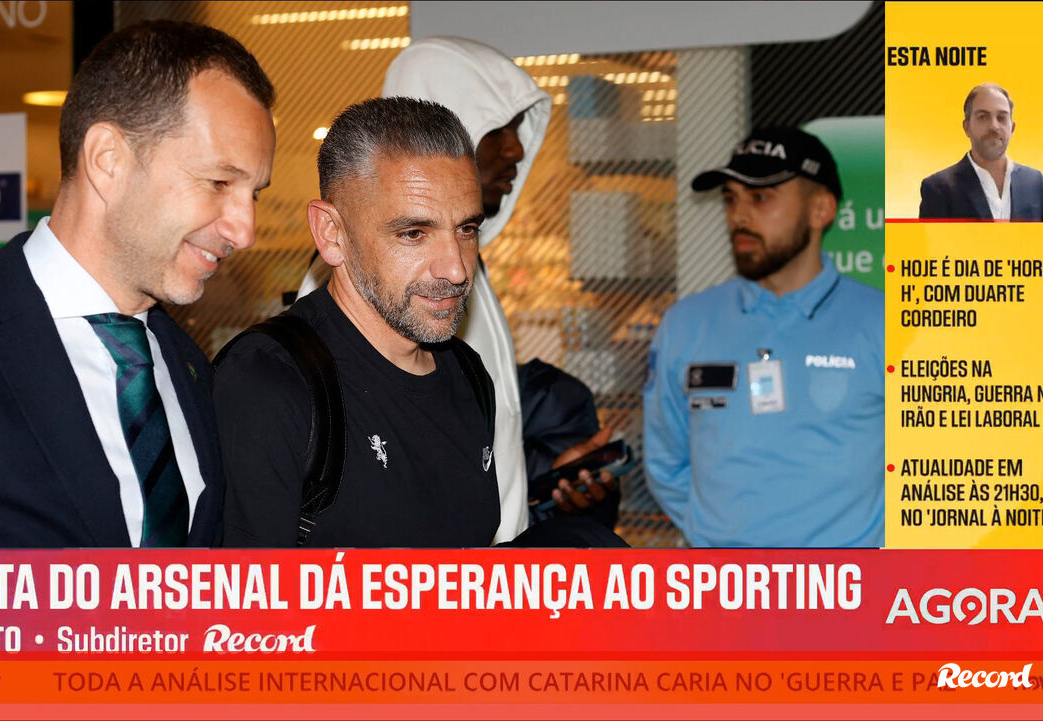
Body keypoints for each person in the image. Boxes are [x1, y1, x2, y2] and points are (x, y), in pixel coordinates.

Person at [0, 21, 276, 547]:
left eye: (254, 193)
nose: (245, 230)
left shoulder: (188, 367)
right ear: (108, 161)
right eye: (219, 182)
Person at [297, 37, 616, 542]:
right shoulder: (359, 285)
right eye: (498, 127)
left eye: (466, 229)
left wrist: (542, 476)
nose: (515, 149)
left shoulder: (464, 269)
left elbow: (456, 449)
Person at [215, 97, 500, 547]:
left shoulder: (468, 375)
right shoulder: (269, 382)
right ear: (332, 233)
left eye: (466, 229)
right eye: (413, 233)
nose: (456, 268)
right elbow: (243, 589)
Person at [644, 126, 883, 547]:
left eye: (760, 197)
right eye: (730, 198)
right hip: (724, 583)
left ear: (821, 210)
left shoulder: (886, 324)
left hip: (848, 584)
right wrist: (721, 541)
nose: (738, 216)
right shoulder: (685, 324)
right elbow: (666, 463)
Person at [919, 83, 1043, 220]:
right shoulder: (938, 189)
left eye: (1001, 117)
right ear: (966, 127)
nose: (994, 126)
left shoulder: (1035, 182)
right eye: (983, 117)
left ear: (1012, 128)